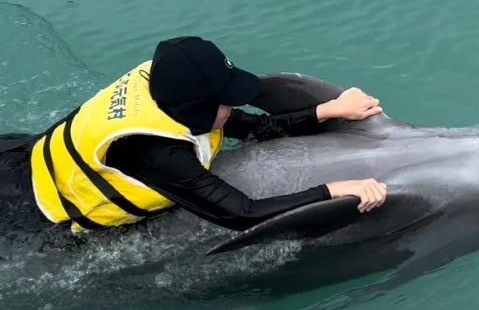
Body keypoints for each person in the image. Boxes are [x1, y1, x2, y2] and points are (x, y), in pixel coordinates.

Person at [0, 36, 388, 236]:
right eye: (225, 100)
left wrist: (329, 110)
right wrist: (332, 190)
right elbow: (240, 214)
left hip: (20, 154)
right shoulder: (158, 154)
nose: (233, 108)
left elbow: (254, 128)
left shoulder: (170, 89)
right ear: (196, 108)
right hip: (25, 210)